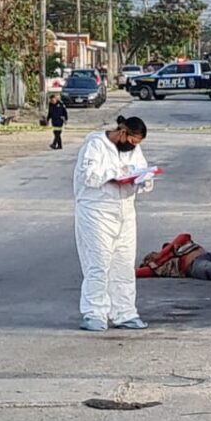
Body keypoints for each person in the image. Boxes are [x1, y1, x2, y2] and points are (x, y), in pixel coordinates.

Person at [73, 116, 153, 331]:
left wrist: (143, 179)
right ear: (123, 133)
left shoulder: (134, 150)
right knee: (98, 264)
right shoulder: (95, 145)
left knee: (124, 264)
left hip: (125, 212)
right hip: (97, 212)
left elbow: (142, 170)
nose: (134, 146)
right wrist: (117, 174)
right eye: (132, 141)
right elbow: (89, 176)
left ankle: (124, 312)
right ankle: (94, 313)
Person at [137, 233, 211, 284]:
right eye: (148, 258)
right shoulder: (157, 267)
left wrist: (161, 255)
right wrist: (155, 263)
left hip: (210, 255)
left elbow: (184, 235)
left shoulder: (175, 246)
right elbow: (137, 273)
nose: (151, 256)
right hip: (194, 265)